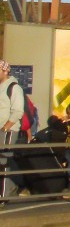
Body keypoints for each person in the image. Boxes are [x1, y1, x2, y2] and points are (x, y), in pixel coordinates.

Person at [0, 60, 24, 200]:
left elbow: (18, 111)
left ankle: (3, 196)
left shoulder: (14, 87)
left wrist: (5, 127)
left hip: (8, 131)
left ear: (5, 71)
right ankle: (11, 187)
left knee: (3, 163)